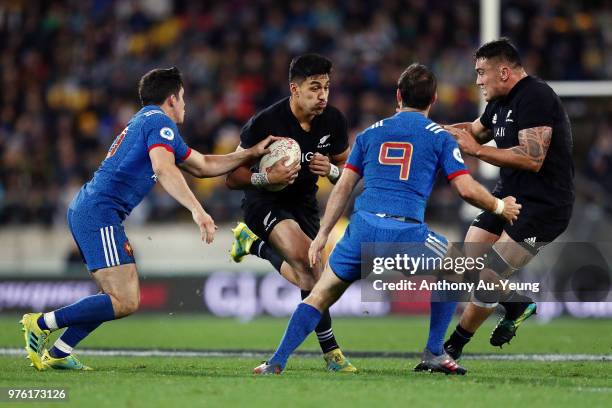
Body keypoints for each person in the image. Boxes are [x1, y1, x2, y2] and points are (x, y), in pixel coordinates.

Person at [252, 63, 521, 375]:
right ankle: (436, 351)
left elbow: (343, 186)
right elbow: (465, 189)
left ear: (398, 96)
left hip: (362, 228)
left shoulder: (369, 134)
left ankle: (276, 362)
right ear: (433, 99)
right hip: (406, 232)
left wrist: (324, 233)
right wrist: (500, 207)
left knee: (320, 295)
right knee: (456, 267)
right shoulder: (441, 137)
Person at [20, 67, 276, 371]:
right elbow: (164, 168)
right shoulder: (158, 122)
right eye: (183, 98)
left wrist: (249, 154)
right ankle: (40, 322)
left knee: (114, 296)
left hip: (94, 210)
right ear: (171, 99)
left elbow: (204, 164)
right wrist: (197, 209)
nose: (185, 105)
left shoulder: (151, 124)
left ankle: (60, 353)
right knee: (125, 299)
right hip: (98, 212)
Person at [442, 38, 575, 359]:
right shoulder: (499, 103)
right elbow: (472, 131)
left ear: (503, 71)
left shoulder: (537, 96)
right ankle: (517, 304)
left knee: (489, 276)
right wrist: (425, 129)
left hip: (544, 207)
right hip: (508, 197)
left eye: (481, 73)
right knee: (465, 264)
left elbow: (533, 157)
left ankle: (452, 349)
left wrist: (476, 151)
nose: (477, 81)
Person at [225, 54, 356, 372]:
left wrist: (333, 172)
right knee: (309, 263)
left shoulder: (334, 121)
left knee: (311, 276)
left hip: (305, 204)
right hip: (265, 202)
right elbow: (232, 176)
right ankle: (332, 353)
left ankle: (252, 244)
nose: (322, 95)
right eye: (314, 88)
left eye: (326, 87)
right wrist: (265, 178)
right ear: (294, 89)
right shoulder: (266, 122)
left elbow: (347, 167)